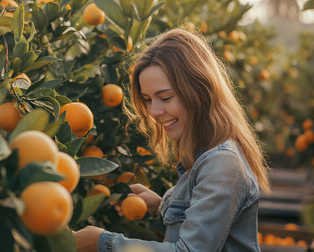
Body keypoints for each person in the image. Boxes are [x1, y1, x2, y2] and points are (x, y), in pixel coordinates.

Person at [74, 28, 271, 252]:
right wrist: (161, 205)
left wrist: (102, 242)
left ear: (199, 90)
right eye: (147, 100)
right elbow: (206, 225)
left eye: (165, 97)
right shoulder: (205, 155)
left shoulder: (222, 163)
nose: (154, 111)